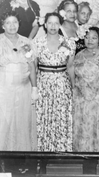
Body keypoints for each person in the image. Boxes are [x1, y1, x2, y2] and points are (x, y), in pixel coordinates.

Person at [0, 12, 37, 151]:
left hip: (23, 88)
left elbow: (32, 66)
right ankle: (0, 159)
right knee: (3, 123)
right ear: (2, 25)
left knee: (21, 124)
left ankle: (21, 161)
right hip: (2, 88)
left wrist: (34, 88)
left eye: (15, 22)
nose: (12, 26)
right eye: (8, 23)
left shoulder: (26, 41)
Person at [33, 12, 76, 151]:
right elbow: (33, 66)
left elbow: (70, 66)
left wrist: (73, 87)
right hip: (43, 83)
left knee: (60, 116)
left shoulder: (68, 42)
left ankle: (61, 151)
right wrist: (33, 88)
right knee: (43, 116)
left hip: (62, 84)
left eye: (56, 23)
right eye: (50, 23)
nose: (53, 26)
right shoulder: (37, 42)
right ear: (45, 25)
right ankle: (42, 151)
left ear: (60, 25)